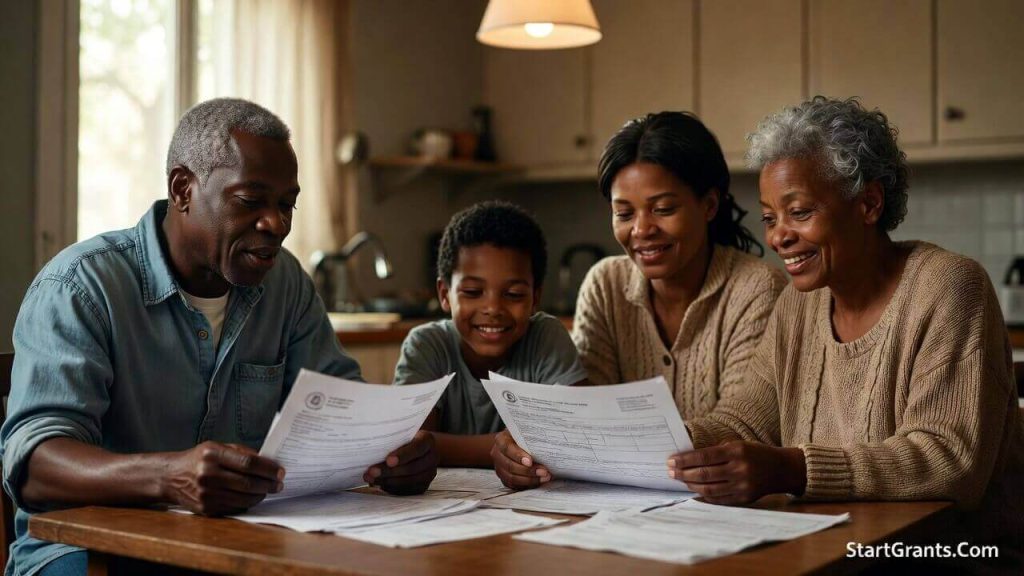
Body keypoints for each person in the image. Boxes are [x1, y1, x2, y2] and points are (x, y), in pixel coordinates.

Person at [0, 98, 438, 576]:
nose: (276, 224)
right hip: (87, 554)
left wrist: (391, 453)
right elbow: (34, 465)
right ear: (183, 189)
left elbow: (344, 410)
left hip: (236, 546)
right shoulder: (80, 287)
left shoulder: (286, 284)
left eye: (286, 204)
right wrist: (169, 477)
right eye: (250, 201)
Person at [668, 97, 1024, 551]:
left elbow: (949, 458)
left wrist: (792, 469)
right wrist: (659, 446)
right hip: (834, 551)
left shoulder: (949, 286)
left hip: (947, 558)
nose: (778, 237)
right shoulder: (797, 305)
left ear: (869, 203)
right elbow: (744, 421)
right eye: (770, 218)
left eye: (800, 212)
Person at [572, 112, 786, 418]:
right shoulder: (605, 285)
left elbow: (739, 422)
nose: (641, 230)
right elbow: (590, 410)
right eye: (624, 214)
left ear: (709, 205)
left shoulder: (758, 289)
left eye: (663, 209)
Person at [392, 201, 587, 489]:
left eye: (514, 294)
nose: (493, 308)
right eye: (473, 292)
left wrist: (441, 446)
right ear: (445, 294)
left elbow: (579, 433)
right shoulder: (427, 346)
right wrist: (506, 445)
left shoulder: (546, 337)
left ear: (535, 297)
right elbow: (411, 446)